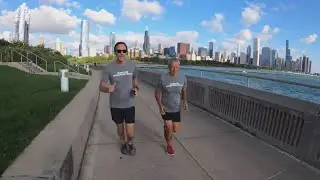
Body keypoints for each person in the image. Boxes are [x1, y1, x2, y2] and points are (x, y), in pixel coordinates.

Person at [99, 42, 139, 156]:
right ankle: (123, 143)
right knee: (120, 130)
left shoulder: (132, 65)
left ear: (126, 52)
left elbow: (135, 79)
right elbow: (101, 86)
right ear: (115, 52)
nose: (121, 53)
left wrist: (135, 88)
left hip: (129, 104)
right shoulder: (109, 68)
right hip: (115, 106)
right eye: (118, 51)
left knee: (130, 132)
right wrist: (108, 89)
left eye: (123, 51)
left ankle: (130, 142)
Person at [154, 59, 188, 156]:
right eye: (172, 67)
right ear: (168, 67)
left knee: (175, 129)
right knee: (169, 129)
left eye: (177, 67)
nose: (175, 69)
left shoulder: (183, 78)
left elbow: (184, 90)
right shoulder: (163, 78)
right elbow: (157, 93)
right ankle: (169, 145)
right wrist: (160, 105)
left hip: (176, 108)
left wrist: (185, 101)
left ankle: (167, 127)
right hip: (166, 108)